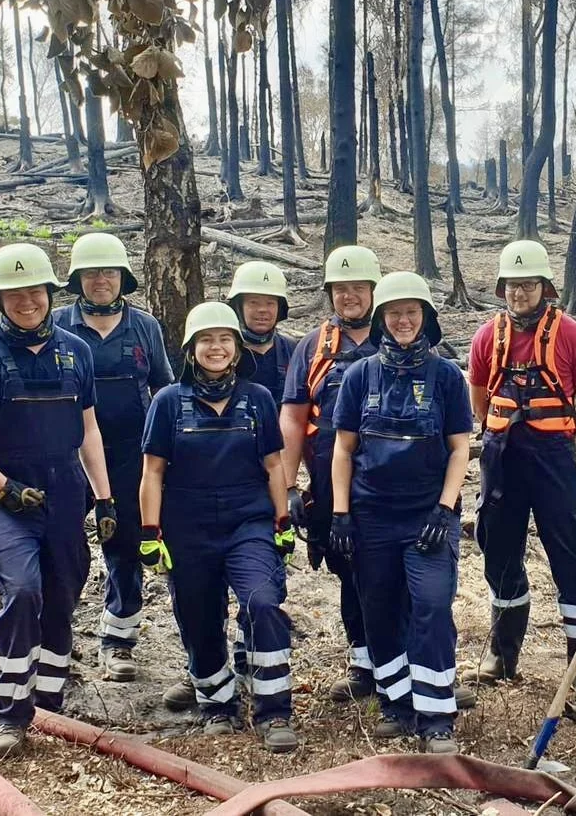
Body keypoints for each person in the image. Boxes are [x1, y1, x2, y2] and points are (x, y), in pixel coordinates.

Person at [0, 242, 114, 758]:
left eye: (34, 291)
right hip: (6, 500)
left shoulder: (75, 350)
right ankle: (12, 713)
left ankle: (51, 701)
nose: (26, 302)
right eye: (14, 294)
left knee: (63, 593)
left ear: (49, 293)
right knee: (21, 590)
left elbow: (88, 428)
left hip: (65, 493)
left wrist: (104, 498)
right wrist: (2, 486)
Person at [138, 302, 299, 753]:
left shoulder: (259, 398)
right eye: (206, 340)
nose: (216, 347)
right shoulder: (168, 402)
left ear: (237, 348)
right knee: (198, 615)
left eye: (225, 339)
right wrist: (150, 532)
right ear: (191, 349)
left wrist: (282, 519)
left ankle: (274, 710)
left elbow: (273, 464)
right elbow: (152, 472)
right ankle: (217, 705)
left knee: (263, 602)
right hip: (187, 526)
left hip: (248, 520)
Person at [330, 272, 473, 753]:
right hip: (371, 516)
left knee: (431, 604)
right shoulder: (359, 375)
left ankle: (436, 714)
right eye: (394, 314)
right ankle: (396, 701)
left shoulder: (448, 377)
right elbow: (343, 450)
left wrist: (445, 507)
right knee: (379, 605)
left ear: (426, 318)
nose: (403, 320)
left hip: (427, 516)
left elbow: (459, 449)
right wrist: (341, 513)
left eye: (412, 312)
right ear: (381, 321)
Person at [463, 240, 576, 696]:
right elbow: (480, 402)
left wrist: (560, 440)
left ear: (545, 287)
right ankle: (502, 654)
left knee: (570, 558)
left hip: (552, 461)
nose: (519, 293)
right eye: (511, 285)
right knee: (500, 554)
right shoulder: (487, 337)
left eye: (527, 285)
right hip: (502, 459)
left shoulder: (573, 336)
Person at [51, 232, 173, 682]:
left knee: (124, 547)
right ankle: (54, 642)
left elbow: (163, 388)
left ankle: (118, 641)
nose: (101, 280)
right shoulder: (58, 324)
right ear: (76, 279)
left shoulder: (145, 327)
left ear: (124, 277)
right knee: (62, 547)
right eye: (91, 272)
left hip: (129, 456)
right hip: (68, 453)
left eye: (109, 272)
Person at [278, 245, 381, 701]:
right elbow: (293, 418)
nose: (349, 297)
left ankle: (400, 659)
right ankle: (363, 662)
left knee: (395, 569)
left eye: (358, 288)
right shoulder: (312, 347)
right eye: (340, 289)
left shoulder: (399, 335)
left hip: (391, 477)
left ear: (374, 290)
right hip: (327, 475)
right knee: (348, 566)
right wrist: (289, 486)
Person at [228, 260, 297, 406]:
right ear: (238, 307)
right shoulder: (224, 351)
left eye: (270, 303)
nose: (262, 310)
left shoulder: (292, 350)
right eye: (254, 302)